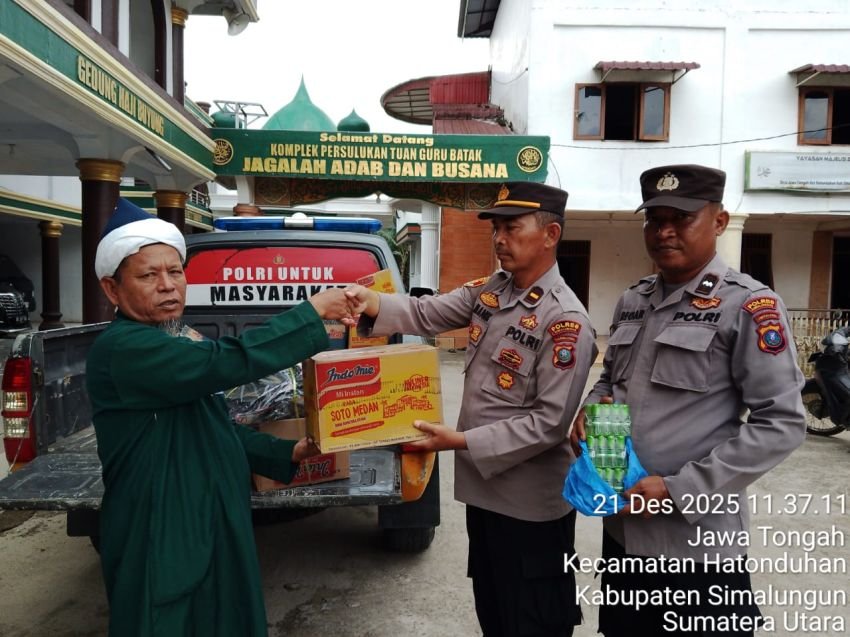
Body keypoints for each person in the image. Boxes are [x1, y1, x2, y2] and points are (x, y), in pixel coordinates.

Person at [86, 199, 353, 637]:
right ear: (112, 290)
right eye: (149, 275)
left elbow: (210, 425)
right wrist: (311, 313)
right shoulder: (125, 348)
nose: (168, 286)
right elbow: (227, 361)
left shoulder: (171, 340)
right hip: (162, 530)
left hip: (210, 520)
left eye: (176, 272)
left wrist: (288, 450)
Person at [346, 182, 596, 637]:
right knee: (495, 613)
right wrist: (373, 302)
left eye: (512, 228)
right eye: (496, 228)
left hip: (531, 509)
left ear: (550, 234)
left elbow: (549, 423)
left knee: (535, 620)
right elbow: (427, 313)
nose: (499, 238)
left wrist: (455, 442)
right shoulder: (492, 291)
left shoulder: (565, 321)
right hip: (485, 496)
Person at [571, 164, 806, 637]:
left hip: (696, 549)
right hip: (624, 534)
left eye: (681, 217)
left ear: (719, 222)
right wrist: (593, 411)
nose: (664, 231)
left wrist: (678, 490)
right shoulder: (633, 300)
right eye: (654, 218)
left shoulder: (748, 306)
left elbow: (781, 422)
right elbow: (612, 380)